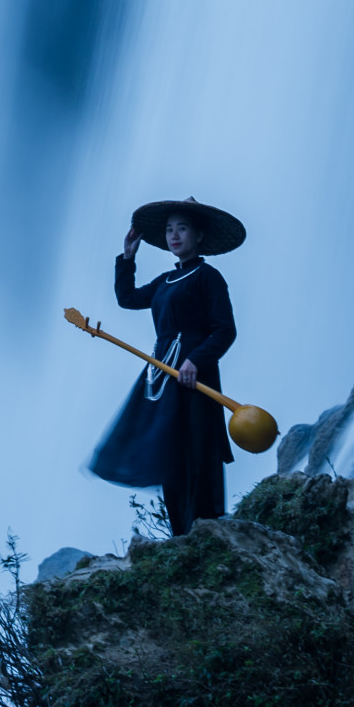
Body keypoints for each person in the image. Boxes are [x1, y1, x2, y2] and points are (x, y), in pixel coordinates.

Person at [87, 196, 244, 535]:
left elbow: (225, 330)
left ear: (198, 236)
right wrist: (128, 257)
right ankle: (180, 533)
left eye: (182, 228)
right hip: (162, 375)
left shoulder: (208, 277)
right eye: (170, 229)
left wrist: (195, 360)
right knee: (169, 447)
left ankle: (205, 526)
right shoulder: (164, 281)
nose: (174, 235)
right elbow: (127, 299)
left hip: (193, 374)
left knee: (196, 446)